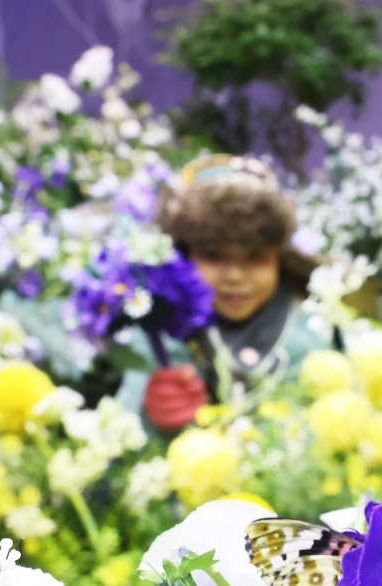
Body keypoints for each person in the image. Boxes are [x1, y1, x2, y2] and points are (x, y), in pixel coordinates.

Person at [126, 154, 329, 431]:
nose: (235, 276)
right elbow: (120, 434)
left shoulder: (312, 333)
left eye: (255, 256)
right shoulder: (158, 338)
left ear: (280, 262)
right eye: (213, 256)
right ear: (183, 257)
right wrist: (152, 416)